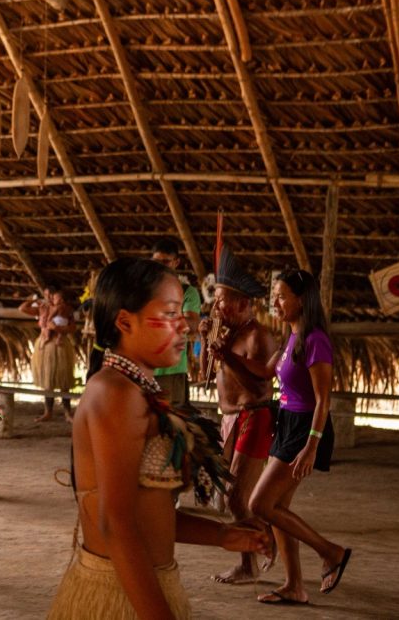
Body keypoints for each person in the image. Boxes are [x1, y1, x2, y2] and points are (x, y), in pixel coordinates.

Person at [48, 257, 269, 620]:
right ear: (124, 321)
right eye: (169, 313)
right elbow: (115, 523)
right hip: (118, 595)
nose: (184, 325)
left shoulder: (137, 390)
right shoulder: (115, 393)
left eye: (182, 312)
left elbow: (149, 513)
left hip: (139, 586)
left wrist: (223, 535)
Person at [249, 269, 351, 605]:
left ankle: (330, 552)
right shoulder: (292, 335)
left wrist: (311, 445)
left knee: (260, 504)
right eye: (273, 295)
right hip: (288, 422)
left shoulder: (315, 339)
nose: (274, 302)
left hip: (305, 428)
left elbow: (323, 399)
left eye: (280, 296)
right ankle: (294, 586)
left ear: (301, 299)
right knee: (278, 508)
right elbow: (267, 372)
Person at [198, 246, 277, 585]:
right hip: (231, 419)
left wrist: (227, 356)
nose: (217, 306)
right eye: (215, 300)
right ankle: (264, 543)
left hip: (254, 418)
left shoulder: (258, 335)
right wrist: (202, 343)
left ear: (245, 304)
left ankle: (254, 559)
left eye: (223, 300)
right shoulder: (224, 333)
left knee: (236, 498)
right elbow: (202, 376)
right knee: (232, 497)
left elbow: (261, 386)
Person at [150, 239, 201, 406]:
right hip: (144, 370)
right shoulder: (143, 291)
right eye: (157, 262)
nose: (161, 266)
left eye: (166, 262)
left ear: (176, 262)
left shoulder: (187, 292)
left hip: (171, 371)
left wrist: (157, 317)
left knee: (173, 424)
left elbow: (191, 325)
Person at [20, 287, 77, 422]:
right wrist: (31, 300)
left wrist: (57, 328)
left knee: (64, 380)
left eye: (53, 296)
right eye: (47, 295)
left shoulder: (67, 310)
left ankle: (68, 413)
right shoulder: (42, 308)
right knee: (48, 380)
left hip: (61, 345)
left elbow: (72, 328)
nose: (52, 298)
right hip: (45, 346)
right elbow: (22, 308)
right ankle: (48, 412)